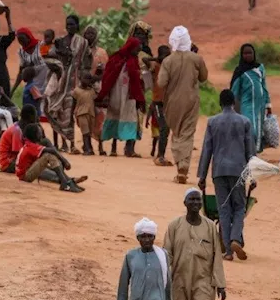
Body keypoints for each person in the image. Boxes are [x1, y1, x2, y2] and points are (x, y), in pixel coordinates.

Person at [197, 89, 254, 260]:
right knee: (239, 207)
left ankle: (228, 251)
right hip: (238, 171)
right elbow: (250, 152)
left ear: (220, 103)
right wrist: (253, 176)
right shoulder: (244, 121)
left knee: (224, 209)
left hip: (219, 171)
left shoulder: (213, 122)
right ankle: (236, 238)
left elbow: (207, 149)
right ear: (233, 103)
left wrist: (202, 176)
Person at [157, 27, 208, 182]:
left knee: (177, 134)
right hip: (191, 101)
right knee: (187, 133)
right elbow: (204, 77)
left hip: (172, 102)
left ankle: (180, 164)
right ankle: (183, 166)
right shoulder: (196, 59)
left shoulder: (168, 61)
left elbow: (161, 82)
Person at [98, 37, 146, 158]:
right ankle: (113, 148)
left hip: (130, 95)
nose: (138, 51)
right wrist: (106, 94)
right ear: (131, 47)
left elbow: (137, 80)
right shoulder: (116, 58)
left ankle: (129, 149)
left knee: (131, 118)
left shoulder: (134, 61)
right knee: (115, 116)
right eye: (136, 48)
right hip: (116, 93)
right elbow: (108, 76)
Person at [15, 122, 86, 192]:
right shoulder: (30, 146)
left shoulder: (29, 144)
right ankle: (64, 183)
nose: (41, 135)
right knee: (48, 155)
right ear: (34, 135)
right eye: (39, 133)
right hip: (25, 176)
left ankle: (69, 182)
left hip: (27, 171)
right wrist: (64, 161)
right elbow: (52, 151)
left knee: (53, 163)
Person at [230, 43, 271, 153]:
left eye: (250, 53)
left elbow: (264, 87)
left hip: (260, 106)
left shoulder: (260, 68)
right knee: (250, 131)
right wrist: (231, 107)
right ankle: (249, 153)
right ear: (241, 55)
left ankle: (254, 154)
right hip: (246, 105)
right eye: (245, 53)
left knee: (259, 131)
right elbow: (234, 90)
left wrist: (268, 105)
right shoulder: (240, 71)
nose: (247, 55)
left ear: (254, 54)